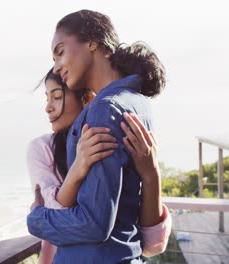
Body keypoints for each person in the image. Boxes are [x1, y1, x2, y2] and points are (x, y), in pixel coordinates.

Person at [27, 10, 167, 263]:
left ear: (92, 41)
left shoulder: (105, 110)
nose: (57, 66)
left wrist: (36, 218)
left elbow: (93, 224)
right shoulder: (137, 101)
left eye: (60, 52)